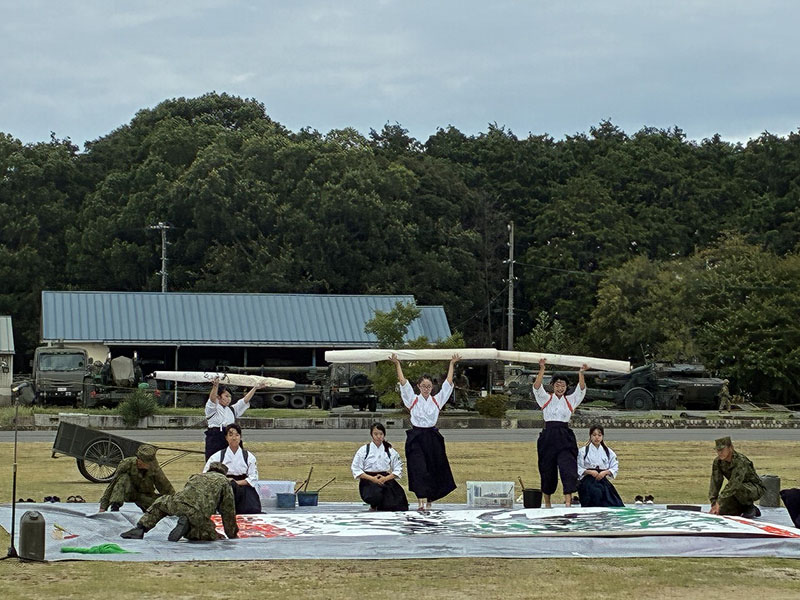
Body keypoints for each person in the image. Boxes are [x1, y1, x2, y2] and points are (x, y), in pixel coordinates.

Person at [390, 352, 460, 511]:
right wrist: (397, 364)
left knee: (433, 468)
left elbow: (448, 384)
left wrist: (452, 364)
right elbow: (403, 382)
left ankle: (429, 501)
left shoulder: (437, 400)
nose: (426, 389)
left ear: (432, 387)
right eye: (423, 386)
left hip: (432, 437)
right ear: (419, 387)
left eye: (429, 386)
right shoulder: (412, 399)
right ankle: (421, 501)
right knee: (418, 468)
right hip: (416, 437)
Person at [121, 462, 238, 542]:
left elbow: (187, 492)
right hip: (198, 513)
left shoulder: (196, 476)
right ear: (224, 473)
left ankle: (140, 528)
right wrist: (231, 534)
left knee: (160, 503)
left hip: (179, 502)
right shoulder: (224, 482)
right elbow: (228, 511)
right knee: (206, 533)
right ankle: (187, 526)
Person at [532, 358, 588, 508]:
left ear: (566, 387)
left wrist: (581, 373)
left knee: (568, 468)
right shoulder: (546, 399)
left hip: (565, 436)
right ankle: (547, 503)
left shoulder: (570, 400)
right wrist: (542, 368)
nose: (560, 387)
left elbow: (581, 390)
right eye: (557, 385)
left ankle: (568, 502)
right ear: (552, 386)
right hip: (548, 436)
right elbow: (537, 387)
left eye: (563, 385)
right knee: (547, 469)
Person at [204, 423, 261, 514]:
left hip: (243, 488)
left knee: (253, 509)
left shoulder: (249, 457)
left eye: (237, 435)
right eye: (230, 435)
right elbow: (207, 475)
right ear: (226, 438)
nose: (234, 438)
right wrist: (225, 482)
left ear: (240, 437)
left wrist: (235, 482)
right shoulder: (217, 456)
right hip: (224, 487)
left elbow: (253, 478)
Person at [350, 422, 409, 511]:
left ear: (384, 435)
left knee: (399, 500)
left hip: (385, 478)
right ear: (372, 435)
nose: (378, 436)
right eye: (376, 434)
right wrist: (372, 479)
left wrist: (385, 478)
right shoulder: (364, 450)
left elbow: (398, 468)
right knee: (375, 493)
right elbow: (356, 468)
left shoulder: (389, 450)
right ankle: (373, 505)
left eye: (381, 434)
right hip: (368, 480)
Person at [98, 444, 175, 512]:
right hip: (128, 493)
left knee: (160, 503)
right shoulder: (126, 464)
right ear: (139, 460)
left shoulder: (154, 468)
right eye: (147, 463)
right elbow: (112, 485)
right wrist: (103, 506)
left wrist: (173, 505)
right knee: (123, 478)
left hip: (145, 496)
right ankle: (115, 507)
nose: (150, 465)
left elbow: (166, 488)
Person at [204, 377, 263, 460]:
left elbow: (244, 401)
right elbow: (212, 399)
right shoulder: (212, 409)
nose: (228, 399)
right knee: (215, 462)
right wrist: (215, 386)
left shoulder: (232, 409)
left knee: (235, 460)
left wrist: (255, 388)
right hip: (216, 437)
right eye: (226, 396)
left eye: (230, 396)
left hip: (230, 435)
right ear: (219, 397)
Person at [709, 436, 766, 518]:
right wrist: (714, 502)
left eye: (722, 450)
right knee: (723, 511)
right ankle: (742, 508)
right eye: (718, 450)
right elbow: (715, 481)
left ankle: (749, 506)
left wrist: (720, 501)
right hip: (735, 491)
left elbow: (734, 484)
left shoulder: (740, 461)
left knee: (737, 487)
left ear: (730, 447)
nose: (720, 453)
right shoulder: (718, 462)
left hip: (753, 488)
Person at [576, 425, 624, 507]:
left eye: (599, 435)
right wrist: (589, 472)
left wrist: (605, 472)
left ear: (602, 436)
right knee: (596, 493)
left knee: (615, 502)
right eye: (594, 435)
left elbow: (614, 466)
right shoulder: (583, 451)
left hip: (602, 479)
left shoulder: (608, 452)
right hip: (588, 480)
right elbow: (578, 467)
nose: (597, 438)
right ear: (590, 436)